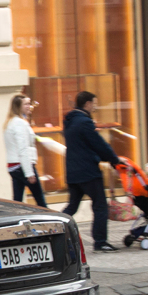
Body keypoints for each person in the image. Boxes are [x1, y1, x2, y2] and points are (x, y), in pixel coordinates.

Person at [62, 91, 121, 251]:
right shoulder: (84, 122)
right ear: (87, 104)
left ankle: (53, 230)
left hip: (73, 172)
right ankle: (100, 242)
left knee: (72, 207)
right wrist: (114, 160)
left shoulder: (70, 122)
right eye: (94, 103)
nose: (95, 107)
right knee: (100, 205)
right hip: (88, 172)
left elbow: (83, 146)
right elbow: (99, 144)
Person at [4, 93, 47, 208]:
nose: (29, 106)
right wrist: (29, 173)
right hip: (23, 166)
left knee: (17, 202)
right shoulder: (20, 123)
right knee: (41, 202)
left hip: (13, 166)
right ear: (19, 107)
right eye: (26, 104)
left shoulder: (10, 122)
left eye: (29, 103)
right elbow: (22, 148)